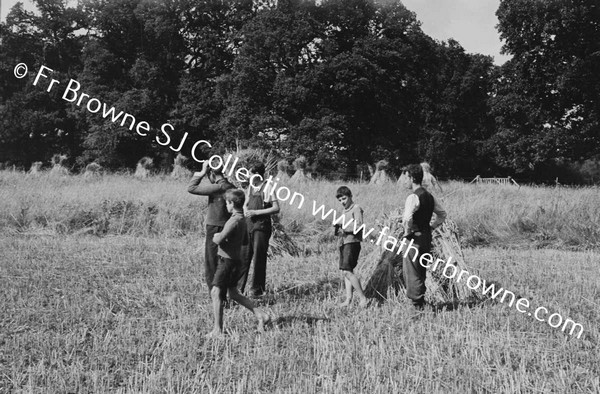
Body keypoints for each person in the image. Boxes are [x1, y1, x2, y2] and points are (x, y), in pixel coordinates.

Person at [208, 189, 270, 337]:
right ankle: (261, 315)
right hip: (236, 260)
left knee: (215, 292)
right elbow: (244, 241)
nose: (226, 206)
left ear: (231, 203)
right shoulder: (242, 219)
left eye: (227, 203)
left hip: (226, 262)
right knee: (234, 293)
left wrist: (216, 235)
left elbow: (217, 240)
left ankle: (218, 330)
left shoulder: (234, 220)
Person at [400, 164, 447, 309]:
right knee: (421, 270)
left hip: (414, 238)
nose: (404, 181)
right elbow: (442, 214)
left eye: (406, 177)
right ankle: (421, 301)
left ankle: (417, 304)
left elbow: (407, 218)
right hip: (426, 237)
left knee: (412, 271)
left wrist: (407, 232)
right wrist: (431, 227)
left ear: (413, 178)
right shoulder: (429, 196)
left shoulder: (413, 197)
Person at [188, 160, 235, 293]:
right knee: (224, 259)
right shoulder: (231, 185)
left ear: (212, 173)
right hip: (227, 226)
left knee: (211, 261)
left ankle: (215, 292)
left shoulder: (218, 187)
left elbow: (191, 188)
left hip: (215, 226)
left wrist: (201, 172)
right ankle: (224, 291)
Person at [238, 162, 280, 297]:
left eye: (250, 173)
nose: (248, 176)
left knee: (259, 258)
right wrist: (245, 209)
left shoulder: (268, 187)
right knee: (244, 256)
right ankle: (238, 289)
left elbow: (276, 208)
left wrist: (256, 212)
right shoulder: (251, 187)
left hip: (262, 226)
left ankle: (257, 290)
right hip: (249, 224)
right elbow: (246, 203)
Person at [334, 186, 369, 308]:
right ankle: (348, 299)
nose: (342, 202)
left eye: (344, 198)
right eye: (340, 200)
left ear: (350, 196)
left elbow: (358, 226)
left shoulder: (356, 208)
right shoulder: (345, 211)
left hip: (352, 243)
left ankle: (363, 298)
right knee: (345, 272)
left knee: (348, 272)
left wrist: (343, 226)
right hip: (344, 242)